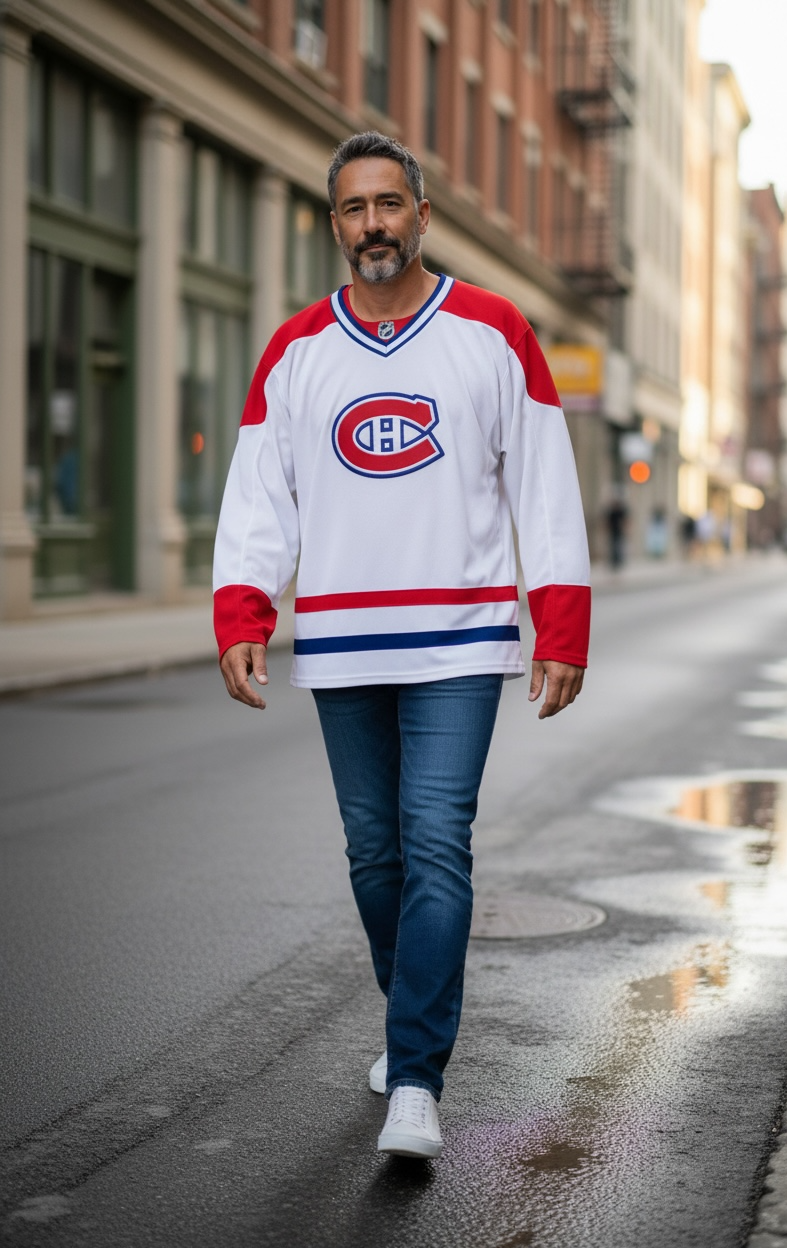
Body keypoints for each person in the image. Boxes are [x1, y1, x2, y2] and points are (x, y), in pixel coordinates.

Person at [213, 132, 590, 1160]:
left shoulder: (492, 329)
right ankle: (408, 1021)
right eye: (352, 208)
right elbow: (259, 497)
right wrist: (243, 611)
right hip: (339, 642)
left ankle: (415, 1078)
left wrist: (561, 626)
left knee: (434, 843)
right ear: (332, 224)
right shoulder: (296, 349)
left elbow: (544, 487)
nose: (372, 224)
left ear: (423, 215)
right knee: (373, 855)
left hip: (462, 639)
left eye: (389, 204)